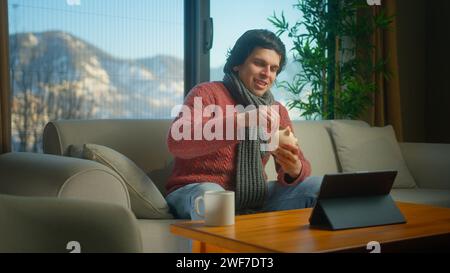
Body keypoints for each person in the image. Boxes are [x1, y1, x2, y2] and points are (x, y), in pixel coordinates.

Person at [165, 29, 322, 219]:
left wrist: (295, 170)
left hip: (252, 196)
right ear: (237, 64)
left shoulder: (277, 110)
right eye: (259, 64)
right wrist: (244, 120)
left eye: (273, 69)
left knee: (318, 187)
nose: (267, 74)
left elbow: (299, 165)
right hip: (196, 190)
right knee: (214, 197)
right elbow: (177, 142)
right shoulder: (206, 93)